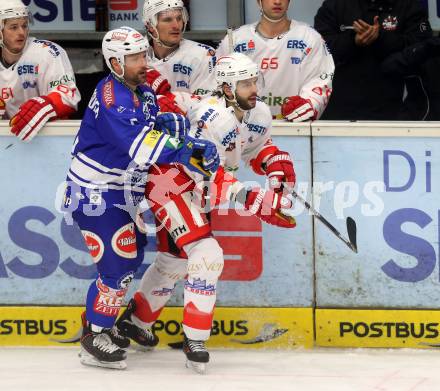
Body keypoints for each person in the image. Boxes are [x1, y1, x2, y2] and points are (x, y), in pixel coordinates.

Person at [115, 53, 297, 374]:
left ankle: (134, 322)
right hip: (169, 182)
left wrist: (276, 167)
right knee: (206, 252)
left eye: (255, 80)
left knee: (175, 260)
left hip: (195, 190)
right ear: (227, 88)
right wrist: (252, 198)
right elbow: (204, 168)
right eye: (245, 83)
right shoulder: (213, 118)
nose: (253, 88)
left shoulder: (259, 112)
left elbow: (257, 146)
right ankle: (195, 339)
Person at [62, 26, 219, 370]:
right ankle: (93, 337)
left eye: (142, 55)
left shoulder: (141, 91)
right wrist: (186, 147)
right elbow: (141, 146)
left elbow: (150, 123)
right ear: (114, 62)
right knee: (118, 264)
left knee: (129, 262)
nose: (142, 62)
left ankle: (104, 325)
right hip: (94, 193)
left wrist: (172, 123)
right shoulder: (111, 97)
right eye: (133, 58)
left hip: (122, 190)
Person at [216, 0, 335, 121]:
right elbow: (216, 84)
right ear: (259, 2)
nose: (277, 2)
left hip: (293, 128)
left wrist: (308, 104)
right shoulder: (235, 39)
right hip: (244, 130)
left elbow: (319, 79)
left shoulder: (309, 37)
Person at [314, 0, 432, 120]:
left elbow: (423, 48)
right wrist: (352, 41)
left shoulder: (409, 5)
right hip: (338, 110)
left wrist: (381, 38)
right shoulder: (334, 4)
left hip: (393, 111)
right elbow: (319, 49)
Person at [0, 0, 80, 141]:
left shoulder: (47, 52)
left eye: (24, 26)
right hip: (6, 141)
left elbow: (69, 95)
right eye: (13, 27)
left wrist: (47, 104)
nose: (21, 32)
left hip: (49, 140)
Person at [142, 0, 217, 97]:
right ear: (150, 25)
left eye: (179, 18)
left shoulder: (203, 55)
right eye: (167, 20)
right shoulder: (135, 54)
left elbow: (206, 104)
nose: (176, 26)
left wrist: (173, 102)